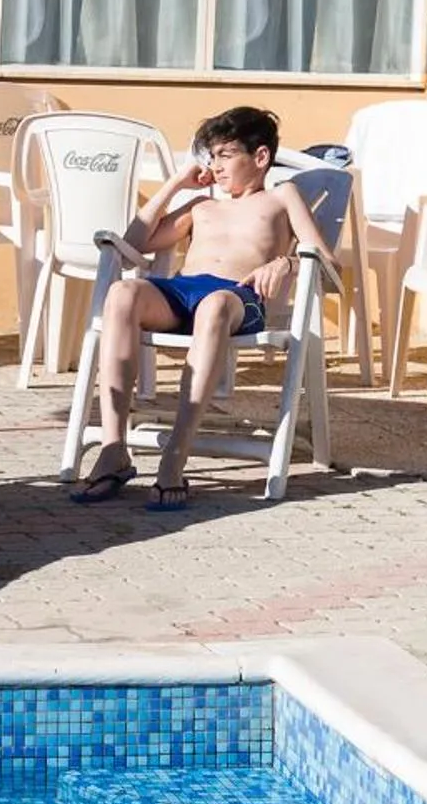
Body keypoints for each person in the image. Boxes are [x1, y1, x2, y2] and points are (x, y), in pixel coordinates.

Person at [68, 106, 332, 513]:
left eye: (226, 155)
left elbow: (329, 265)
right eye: (212, 156)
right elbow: (133, 245)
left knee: (214, 306)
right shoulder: (202, 206)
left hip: (238, 298)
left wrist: (288, 263)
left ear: (260, 157)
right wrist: (175, 184)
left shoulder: (283, 197)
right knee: (122, 294)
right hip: (183, 292)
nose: (216, 165)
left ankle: (176, 454)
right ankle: (113, 447)